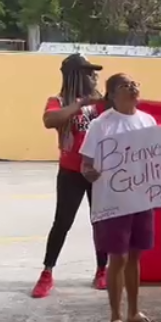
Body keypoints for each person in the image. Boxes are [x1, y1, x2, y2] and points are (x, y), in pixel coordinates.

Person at [81, 74, 161, 322]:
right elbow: (85, 163)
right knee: (118, 257)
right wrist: (89, 173)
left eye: (135, 84)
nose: (133, 88)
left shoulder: (147, 121)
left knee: (135, 256)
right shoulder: (101, 126)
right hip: (115, 202)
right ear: (111, 95)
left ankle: (134, 312)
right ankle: (115, 317)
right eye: (125, 85)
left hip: (142, 200)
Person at [32, 54, 108, 299]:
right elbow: (48, 120)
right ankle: (47, 273)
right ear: (74, 75)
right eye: (87, 72)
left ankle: (101, 270)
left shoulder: (103, 104)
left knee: (102, 222)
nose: (93, 76)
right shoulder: (58, 101)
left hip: (99, 173)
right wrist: (79, 104)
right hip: (71, 172)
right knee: (62, 222)